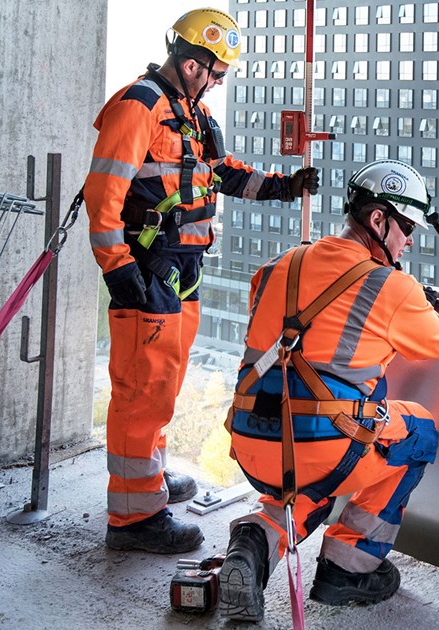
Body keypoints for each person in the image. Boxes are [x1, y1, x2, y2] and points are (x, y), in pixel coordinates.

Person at [84, 8, 320, 554]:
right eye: (216, 70)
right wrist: (118, 268)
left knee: (162, 382)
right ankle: (133, 517)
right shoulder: (139, 106)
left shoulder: (189, 113)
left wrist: (284, 187)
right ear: (192, 63)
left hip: (181, 268)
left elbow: (222, 172)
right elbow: (103, 197)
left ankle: (148, 476)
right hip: (146, 269)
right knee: (142, 388)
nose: (219, 79)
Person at [216, 160, 439, 621]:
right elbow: (435, 341)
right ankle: (349, 567)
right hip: (322, 447)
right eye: (406, 226)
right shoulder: (393, 286)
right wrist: (424, 303)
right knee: (419, 431)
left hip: (252, 438)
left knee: (309, 474)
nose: (410, 239)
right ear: (378, 220)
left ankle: (255, 541)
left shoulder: (278, 264)